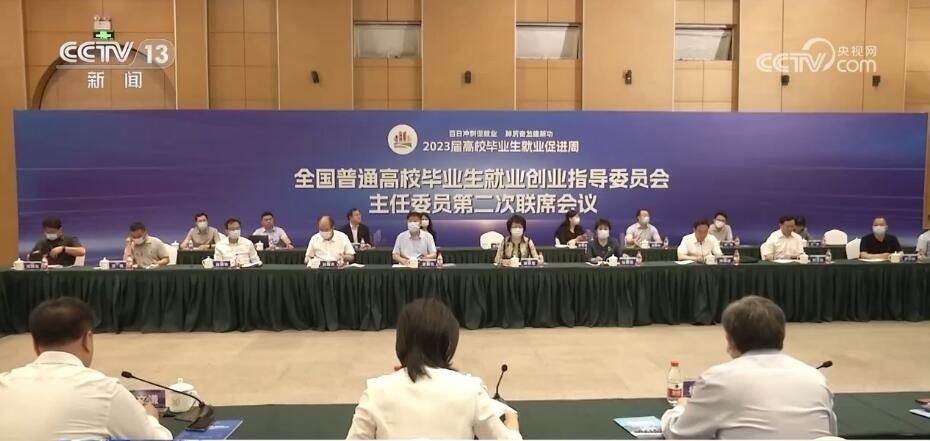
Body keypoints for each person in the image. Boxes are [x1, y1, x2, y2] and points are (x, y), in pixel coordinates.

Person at [661, 295, 836, 439]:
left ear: (730, 340)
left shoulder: (719, 380)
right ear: (782, 334)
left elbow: (679, 435)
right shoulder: (816, 378)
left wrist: (680, 408)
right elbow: (830, 433)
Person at [346, 298, 521, 440]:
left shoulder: (375, 391)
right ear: (448, 344)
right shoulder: (471, 389)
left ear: (401, 341)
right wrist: (512, 423)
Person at [0, 298, 172, 440]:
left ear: (35, 345)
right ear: (87, 340)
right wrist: (151, 418)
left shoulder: (3, 383)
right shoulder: (105, 390)